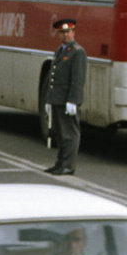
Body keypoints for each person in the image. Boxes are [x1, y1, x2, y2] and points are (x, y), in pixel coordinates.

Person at [47, 17, 85, 174]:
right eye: (62, 33)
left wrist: (73, 100)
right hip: (57, 98)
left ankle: (68, 165)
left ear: (74, 32)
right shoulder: (60, 51)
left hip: (67, 100)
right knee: (59, 133)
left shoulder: (77, 52)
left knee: (69, 134)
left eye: (68, 32)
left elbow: (78, 78)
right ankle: (60, 163)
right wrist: (49, 99)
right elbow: (52, 76)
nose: (65, 35)